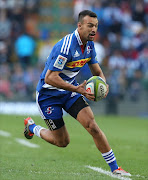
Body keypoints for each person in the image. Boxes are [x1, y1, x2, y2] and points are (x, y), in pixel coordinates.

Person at [24, 10, 131, 176]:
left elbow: (97, 71)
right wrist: (77, 89)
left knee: (92, 126)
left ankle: (115, 168)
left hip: (70, 92)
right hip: (48, 96)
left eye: (96, 26)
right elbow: (50, 78)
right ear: (79, 26)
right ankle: (32, 127)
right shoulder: (65, 47)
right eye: (90, 25)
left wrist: (103, 83)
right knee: (62, 142)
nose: (94, 29)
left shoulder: (89, 45)